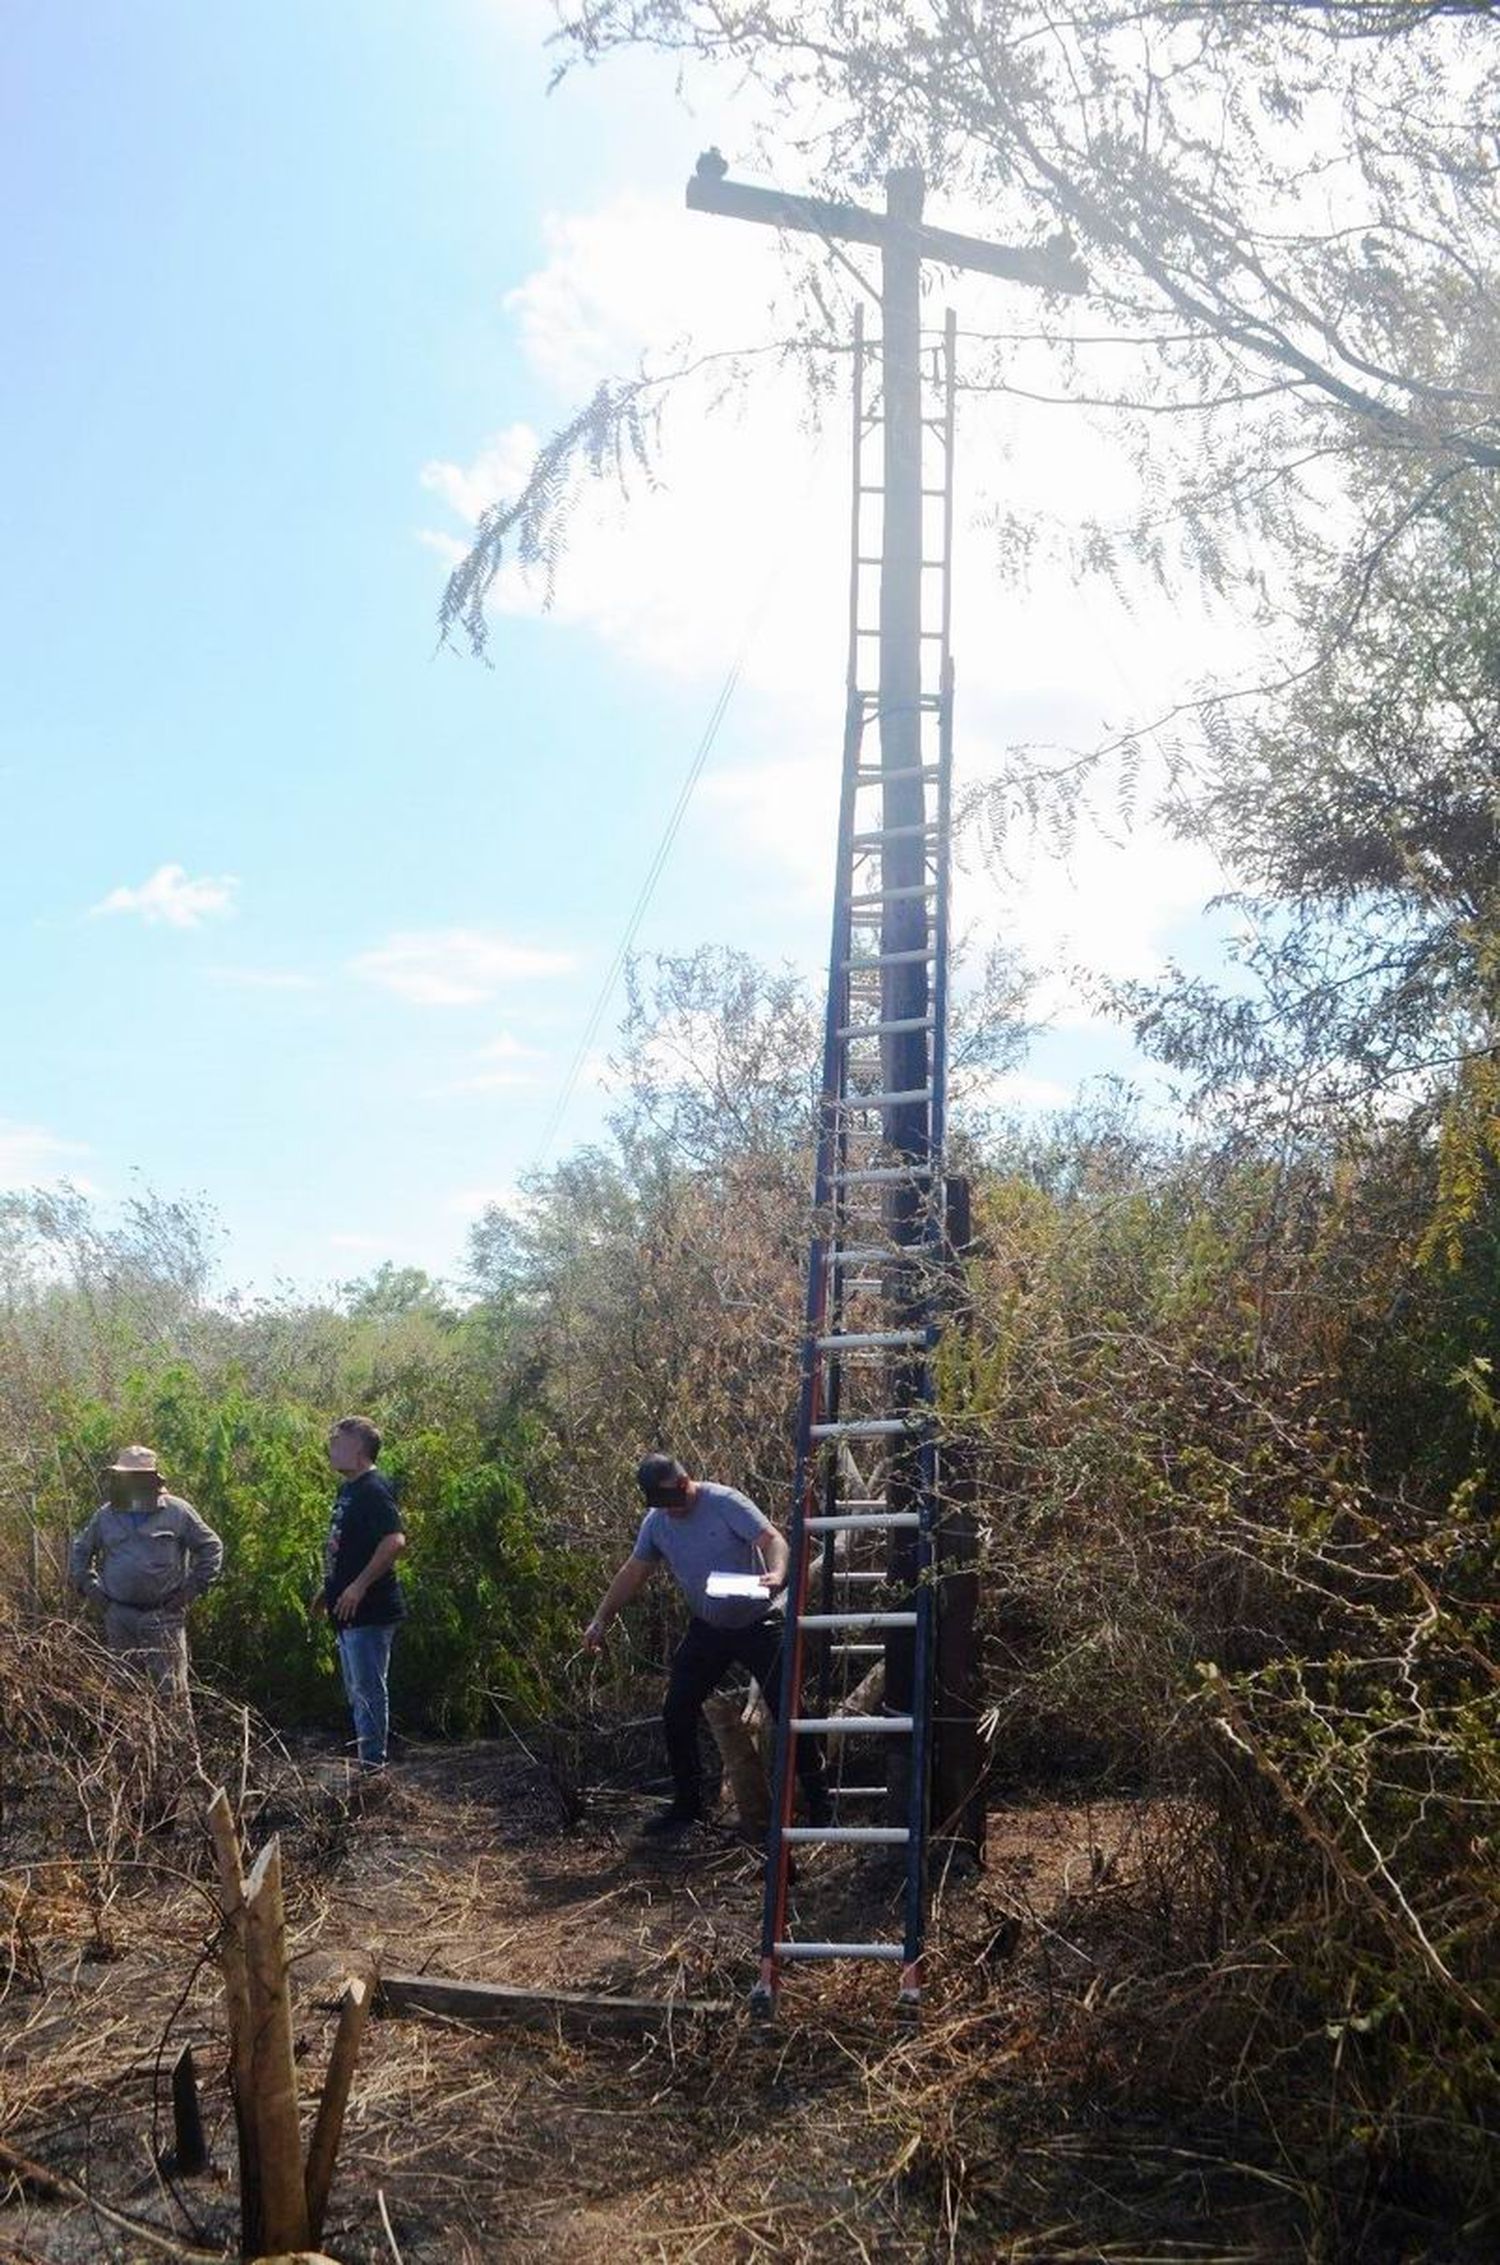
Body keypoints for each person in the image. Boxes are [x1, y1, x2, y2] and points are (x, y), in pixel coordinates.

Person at [584, 1453, 830, 1837]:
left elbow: (772, 1539)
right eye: (657, 1505)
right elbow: (633, 1571)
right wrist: (602, 1617)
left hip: (757, 1623)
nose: (669, 1512)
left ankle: (819, 1802)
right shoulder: (656, 1524)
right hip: (708, 1629)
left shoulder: (725, 1503)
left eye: (670, 1501)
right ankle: (687, 1806)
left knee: (791, 1709)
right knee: (676, 1709)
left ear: (683, 1484)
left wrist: (778, 1572)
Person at [69, 1443, 224, 1700]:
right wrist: (94, 1591)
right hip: (119, 1616)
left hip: (164, 1616)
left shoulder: (177, 1511)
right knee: (124, 1694)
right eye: (122, 1476)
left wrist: (190, 1592)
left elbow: (211, 1547)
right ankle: (129, 1741)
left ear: (151, 1480)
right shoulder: (106, 1516)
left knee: (171, 1695)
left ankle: (176, 1742)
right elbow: (81, 1551)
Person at [310, 1415, 407, 1776]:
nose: (332, 1449)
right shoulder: (348, 1490)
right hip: (346, 1609)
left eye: (339, 1443)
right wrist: (329, 1588)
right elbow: (349, 1548)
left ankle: (373, 1771)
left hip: (370, 1609)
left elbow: (394, 1540)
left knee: (368, 1691)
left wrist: (358, 1585)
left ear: (361, 1450)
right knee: (357, 1691)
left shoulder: (373, 1488)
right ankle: (369, 1764)